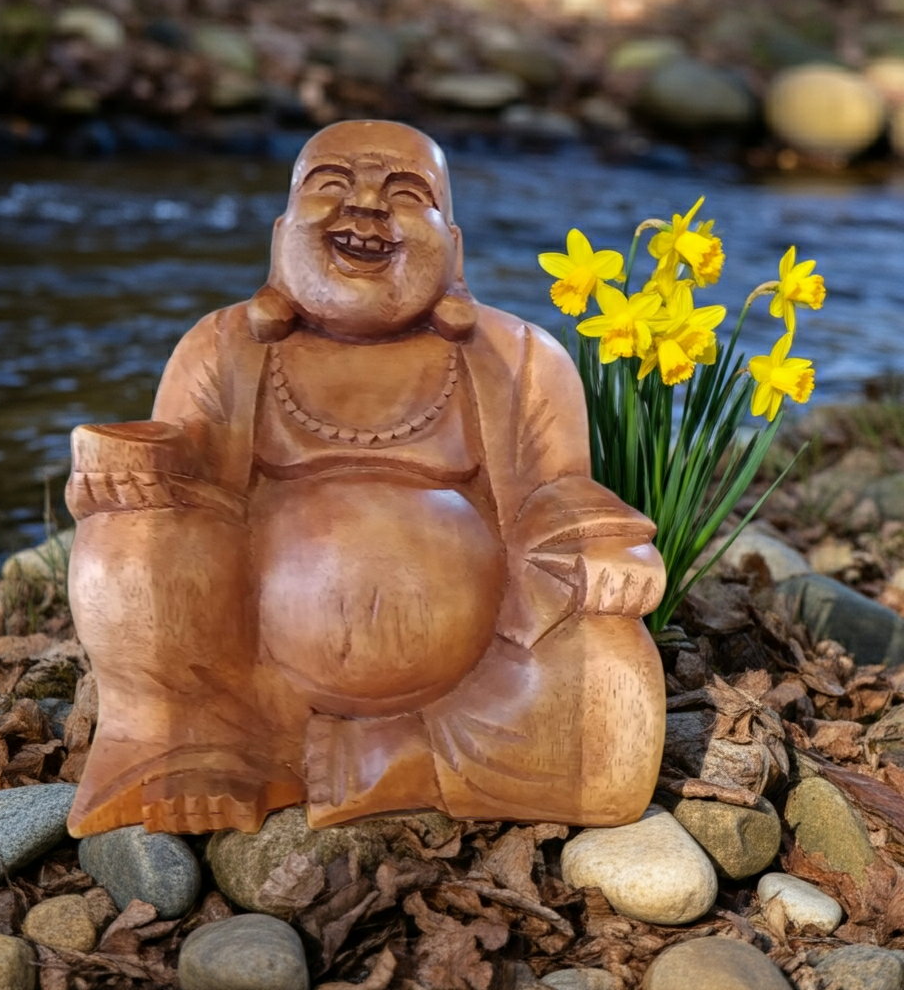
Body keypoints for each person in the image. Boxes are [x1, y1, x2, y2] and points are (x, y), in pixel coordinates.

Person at [64, 120, 667, 838]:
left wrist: (611, 548)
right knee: (125, 544)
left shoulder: (521, 355)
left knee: (613, 697)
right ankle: (199, 746)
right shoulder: (223, 345)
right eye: (333, 185)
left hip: (481, 684)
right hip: (254, 677)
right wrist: (124, 474)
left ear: (455, 246)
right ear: (282, 230)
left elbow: (557, 491)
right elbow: (178, 475)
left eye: (407, 193)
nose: (370, 209)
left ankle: (386, 758)